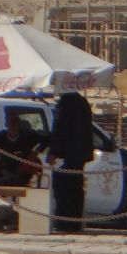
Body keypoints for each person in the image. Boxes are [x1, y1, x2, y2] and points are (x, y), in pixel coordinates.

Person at [45, 91, 94, 234]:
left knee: (63, 190)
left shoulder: (66, 103)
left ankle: (64, 222)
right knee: (76, 189)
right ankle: (74, 222)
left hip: (66, 155)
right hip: (80, 155)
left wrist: (54, 151)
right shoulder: (83, 103)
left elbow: (61, 129)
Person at [0, 112, 45, 187]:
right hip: (6, 170)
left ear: (19, 123)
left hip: (23, 172)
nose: (13, 125)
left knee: (19, 178)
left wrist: (33, 155)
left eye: (15, 121)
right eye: (11, 122)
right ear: (6, 124)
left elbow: (44, 140)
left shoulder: (28, 136)